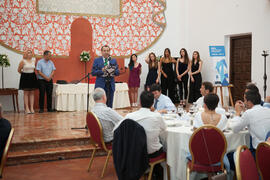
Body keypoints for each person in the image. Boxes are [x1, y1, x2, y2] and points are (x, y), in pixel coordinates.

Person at [124, 91, 166, 179]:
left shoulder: (129, 116)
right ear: (153, 103)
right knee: (165, 145)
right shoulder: (157, 116)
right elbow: (164, 129)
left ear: (139, 102)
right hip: (151, 153)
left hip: (134, 151)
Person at [17, 49, 38, 114]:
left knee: (32, 93)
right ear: (26, 54)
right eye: (28, 53)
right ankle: (27, 108)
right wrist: (24, 75)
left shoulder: (34, 61)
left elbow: (34, 69)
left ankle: (31, 108)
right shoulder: (23, 61)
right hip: (25, 77)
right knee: (26, 93)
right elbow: (19, 70)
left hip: (32, 76)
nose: (30, 54)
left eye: (31, 52)